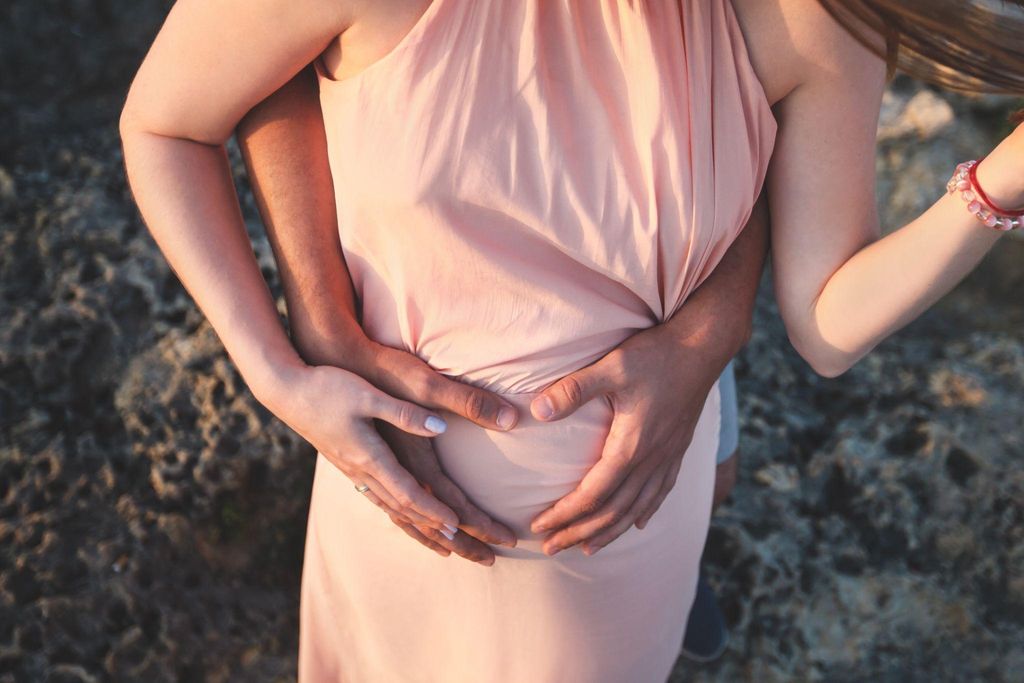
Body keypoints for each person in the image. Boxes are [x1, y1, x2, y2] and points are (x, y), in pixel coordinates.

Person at [118, 0, 1024, 680]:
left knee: (707, 487)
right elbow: (171, 117)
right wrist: (280, 370)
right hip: (394, 505)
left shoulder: (809, 18)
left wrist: (998, 184)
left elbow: (827, 327)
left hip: (612, 540)